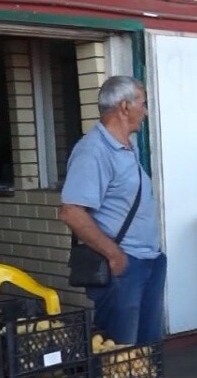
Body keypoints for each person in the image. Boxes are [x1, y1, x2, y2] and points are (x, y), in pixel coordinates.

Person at [59, 76, 165, 345]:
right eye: (143, 103)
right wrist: (115, 255)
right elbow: (71, 211)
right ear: (125, 106)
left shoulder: (127, 148)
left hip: (146, 261)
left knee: (145, 351)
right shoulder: (93, 151)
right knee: (118, 354)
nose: (146, 111)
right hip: (122, 267)